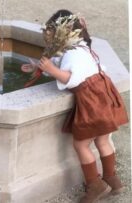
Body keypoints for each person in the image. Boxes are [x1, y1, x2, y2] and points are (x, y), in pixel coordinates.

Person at [22, 9, 128, 203]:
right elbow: (64, 62)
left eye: (53, 34)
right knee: (102, 141)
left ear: (63, 33)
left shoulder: (73, 55)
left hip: (92, 101)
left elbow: (72, 78)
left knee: (80, 144)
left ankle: (96, 186)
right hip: (105, 95)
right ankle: (112, 179)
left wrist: (52, 70)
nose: (51, 38)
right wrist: (40, 66)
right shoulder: (81, 47)